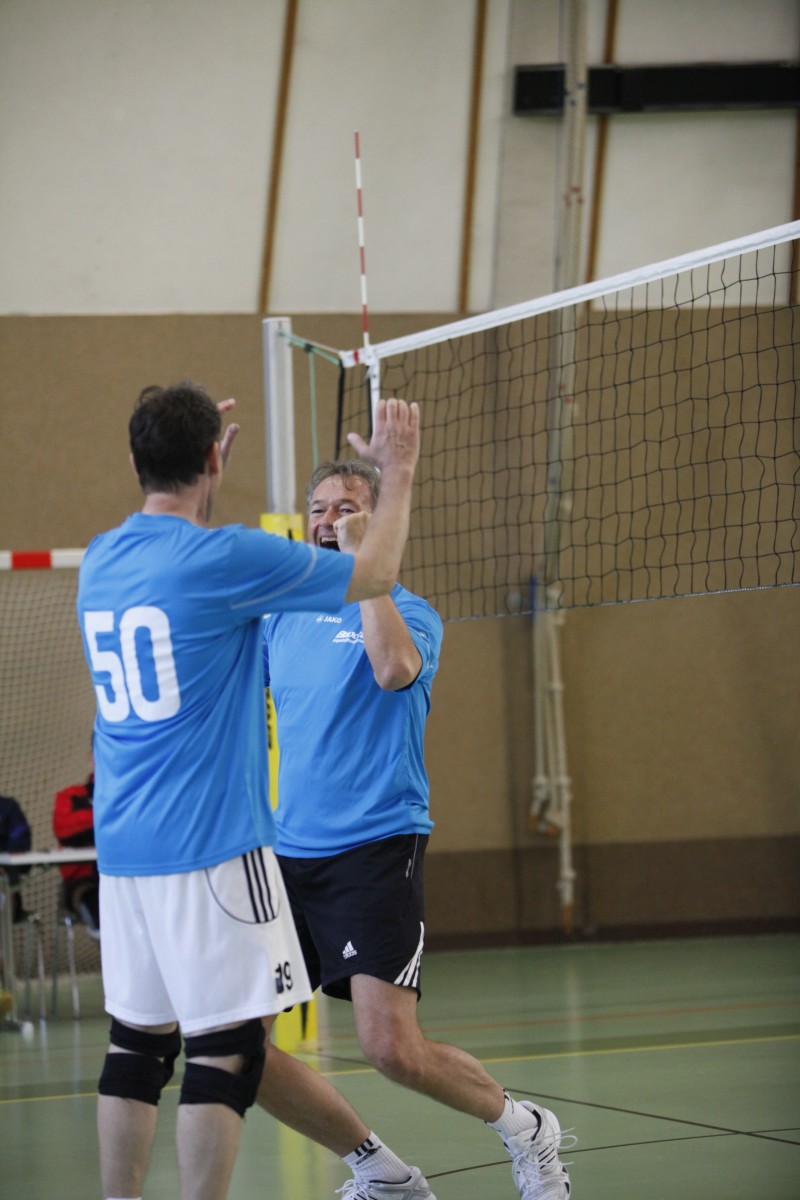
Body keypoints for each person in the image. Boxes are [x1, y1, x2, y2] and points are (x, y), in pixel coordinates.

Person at [76, 382, 421, 1200]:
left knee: (136, 1048)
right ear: (211, 457)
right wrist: (399, 471)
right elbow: (374, 572)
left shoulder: (101, 557)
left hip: (121, 851)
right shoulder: (226, 557)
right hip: (210, 843)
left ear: (134, 460)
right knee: (227, 1051)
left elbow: (185, 563)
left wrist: (202, 488)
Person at [260, 459, 574, 1200]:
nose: (329, 518)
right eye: (319, 507)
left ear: (379, 524)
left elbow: (395, 669)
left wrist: (368, 570)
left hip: (375, 848)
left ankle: (526, 1127)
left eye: (348, 506)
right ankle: (381, 1173)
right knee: (238, 1049)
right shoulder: (282, 617)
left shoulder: (410, 612)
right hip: (285, 856)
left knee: (391, 1048)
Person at [52, 746, 100, 938]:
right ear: (92, 758)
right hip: (85, 882)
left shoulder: (138, 793)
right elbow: (65, 829)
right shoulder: (72, 796)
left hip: (135, 875)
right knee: (94, 902)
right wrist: (112, 814)